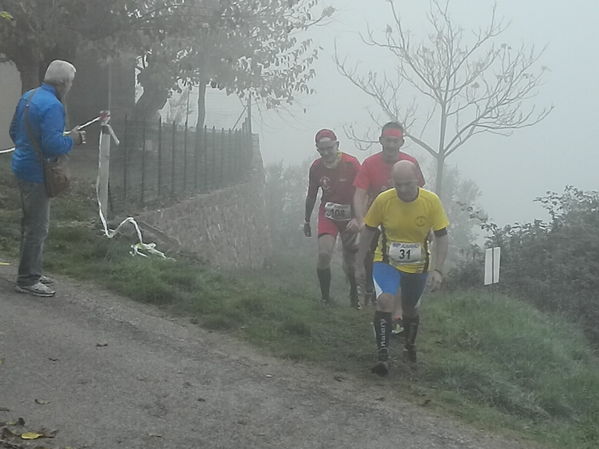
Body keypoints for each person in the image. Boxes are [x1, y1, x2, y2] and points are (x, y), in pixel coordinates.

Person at [356, 160, 449, 376]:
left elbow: (442, 237)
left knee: (410, 310)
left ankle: (409, 345)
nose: (403, 190)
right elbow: (368, 231)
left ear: (417, 179)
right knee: (385, 301)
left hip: (418, 266)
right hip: (387, 261)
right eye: (398, 185)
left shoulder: (431, 201)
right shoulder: (384, 200)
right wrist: (359, 262)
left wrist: (438, 269)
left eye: (408, 184)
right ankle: (383, 355)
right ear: (391, 183)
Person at [10, 60, 85, 297]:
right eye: (71, 82)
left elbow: (14, 130)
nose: (71, 86)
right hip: (38, 173)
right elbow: (53, 146)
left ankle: (31, 269)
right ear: (63, 83)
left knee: (29, 224)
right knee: (38, 228)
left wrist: (27, 147)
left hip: (22, 166)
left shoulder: (29, 97)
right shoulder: (53, 106)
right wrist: (73, 139)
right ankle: (28, 279)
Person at [347, 121, 425, 326]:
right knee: (368, 252)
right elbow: (359, 193)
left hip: (404, 220)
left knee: (400, 263)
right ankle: (371, 288)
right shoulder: (370, 164)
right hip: (376, 216)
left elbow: (423, 194)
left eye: (395, 141)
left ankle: (397, 313)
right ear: (381, 140)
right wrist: (360, 218)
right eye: (387, 141)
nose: (391, 146)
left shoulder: (410, 163)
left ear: (402, 142)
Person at [304, 129, 361, 308]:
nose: (326, 153)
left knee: (350, 262)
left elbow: (362, 192)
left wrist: (359, 218)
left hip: (350, 215)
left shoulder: (351, 164)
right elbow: (312, 194)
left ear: (337, 145)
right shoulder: (316, 167)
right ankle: (325, 298)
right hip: (328, 213)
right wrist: (306, 220)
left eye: (330, 148)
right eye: (322, 150)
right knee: (323, 254)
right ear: (317, 149)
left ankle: (354, 292)